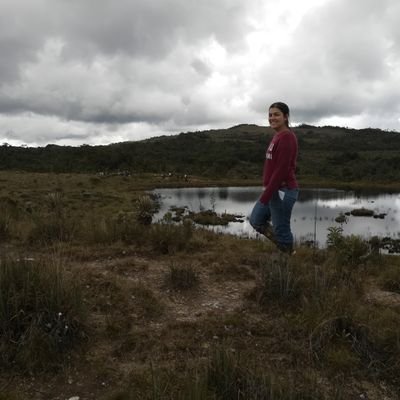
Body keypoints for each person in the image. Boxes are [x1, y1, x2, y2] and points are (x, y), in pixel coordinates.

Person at [249, 102, 299, 254]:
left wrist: (266, 195)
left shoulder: (287, 138)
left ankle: (288, 258)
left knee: (282, 229)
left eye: (276, 114)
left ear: (285, 117)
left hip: (283, 191)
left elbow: (281, 171)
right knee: (256, 220)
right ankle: (285, 249)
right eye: (270, 115)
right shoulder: (278, 136)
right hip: (273, 191)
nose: (272, 118)